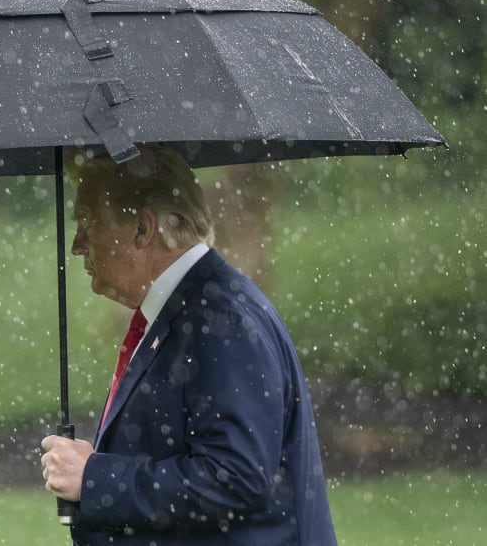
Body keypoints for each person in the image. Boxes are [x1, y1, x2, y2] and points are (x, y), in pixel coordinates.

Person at [40, 145, 337, 545]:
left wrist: (95, 477)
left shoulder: (220, 320)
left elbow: (234, 478)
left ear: (143, 229)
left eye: (87, 221)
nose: (77, 244)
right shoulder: (192, 311)